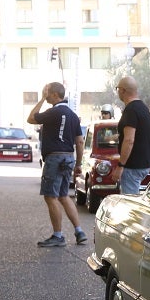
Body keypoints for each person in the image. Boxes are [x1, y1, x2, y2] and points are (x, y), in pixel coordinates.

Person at [27, 81, 88, 247]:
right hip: (69, 157)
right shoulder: (73, 116)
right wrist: (78, 164)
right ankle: (79, 231)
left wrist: (40, 99)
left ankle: (58, 235)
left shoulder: (52, 112)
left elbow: (31, 118)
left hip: (54, 157)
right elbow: (80, 142)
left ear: (54, 94)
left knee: (50, 196)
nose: (46, 97)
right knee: (63, 195)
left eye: (47, 93)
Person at [111, 76, 150, 194]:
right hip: (144, 163)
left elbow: (129, 140)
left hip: (132, 165)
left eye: (117, 88)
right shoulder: (144, 109)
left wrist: (120, 165)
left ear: (123, 90)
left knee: (129, 205)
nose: (118, 91)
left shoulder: (131, 110)